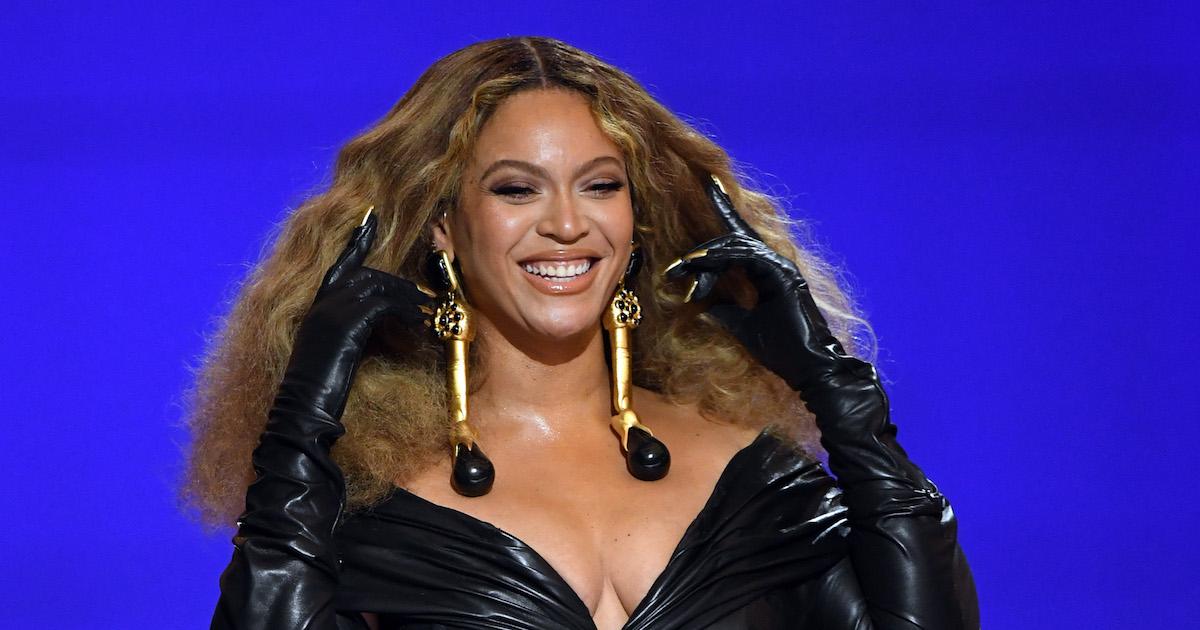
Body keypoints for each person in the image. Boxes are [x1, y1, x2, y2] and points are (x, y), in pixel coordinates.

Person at [183, 36, 979, 629]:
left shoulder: (756, 481)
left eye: (600, 185)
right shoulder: (368, 507)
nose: (567, 224)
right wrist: (302, 422)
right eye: (516, 189)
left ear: (634, 222)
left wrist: (837, 394)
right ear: (443, 229)